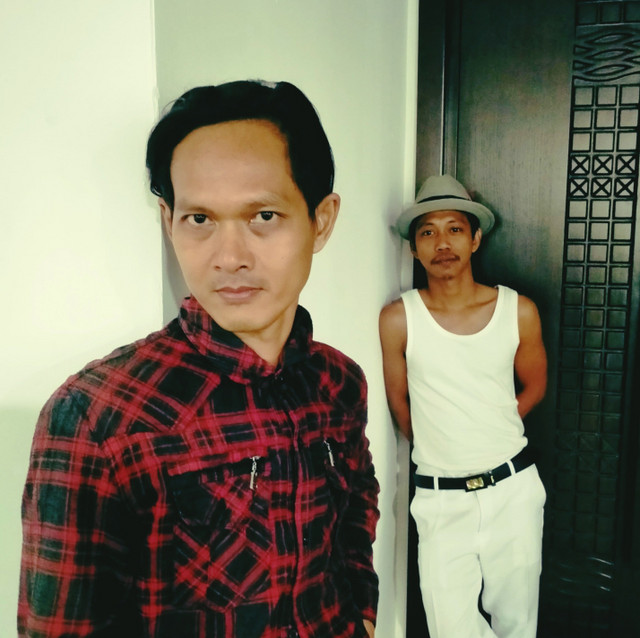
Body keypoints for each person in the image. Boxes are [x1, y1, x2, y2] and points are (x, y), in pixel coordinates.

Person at [19, 80, 379, 638]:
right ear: (169, 221)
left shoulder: (340, 382)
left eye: (264, 216)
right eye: (200, 219)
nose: (229, 258)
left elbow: (355, 516)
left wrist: (364, 617)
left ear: (322, 220)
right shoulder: (95, 417)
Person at [379, 174, 547, 638]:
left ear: (474, 239)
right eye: (427, 232)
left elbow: (535, 386)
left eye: (454, 228)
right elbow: (399, 404)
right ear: (414, 248)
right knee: (449, 628)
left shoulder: (518, 311)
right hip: (439, 499)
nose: (442, 243)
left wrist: (488, 426)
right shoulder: (399, 319)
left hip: (512, 491)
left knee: (518, 625)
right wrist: (445, 441)